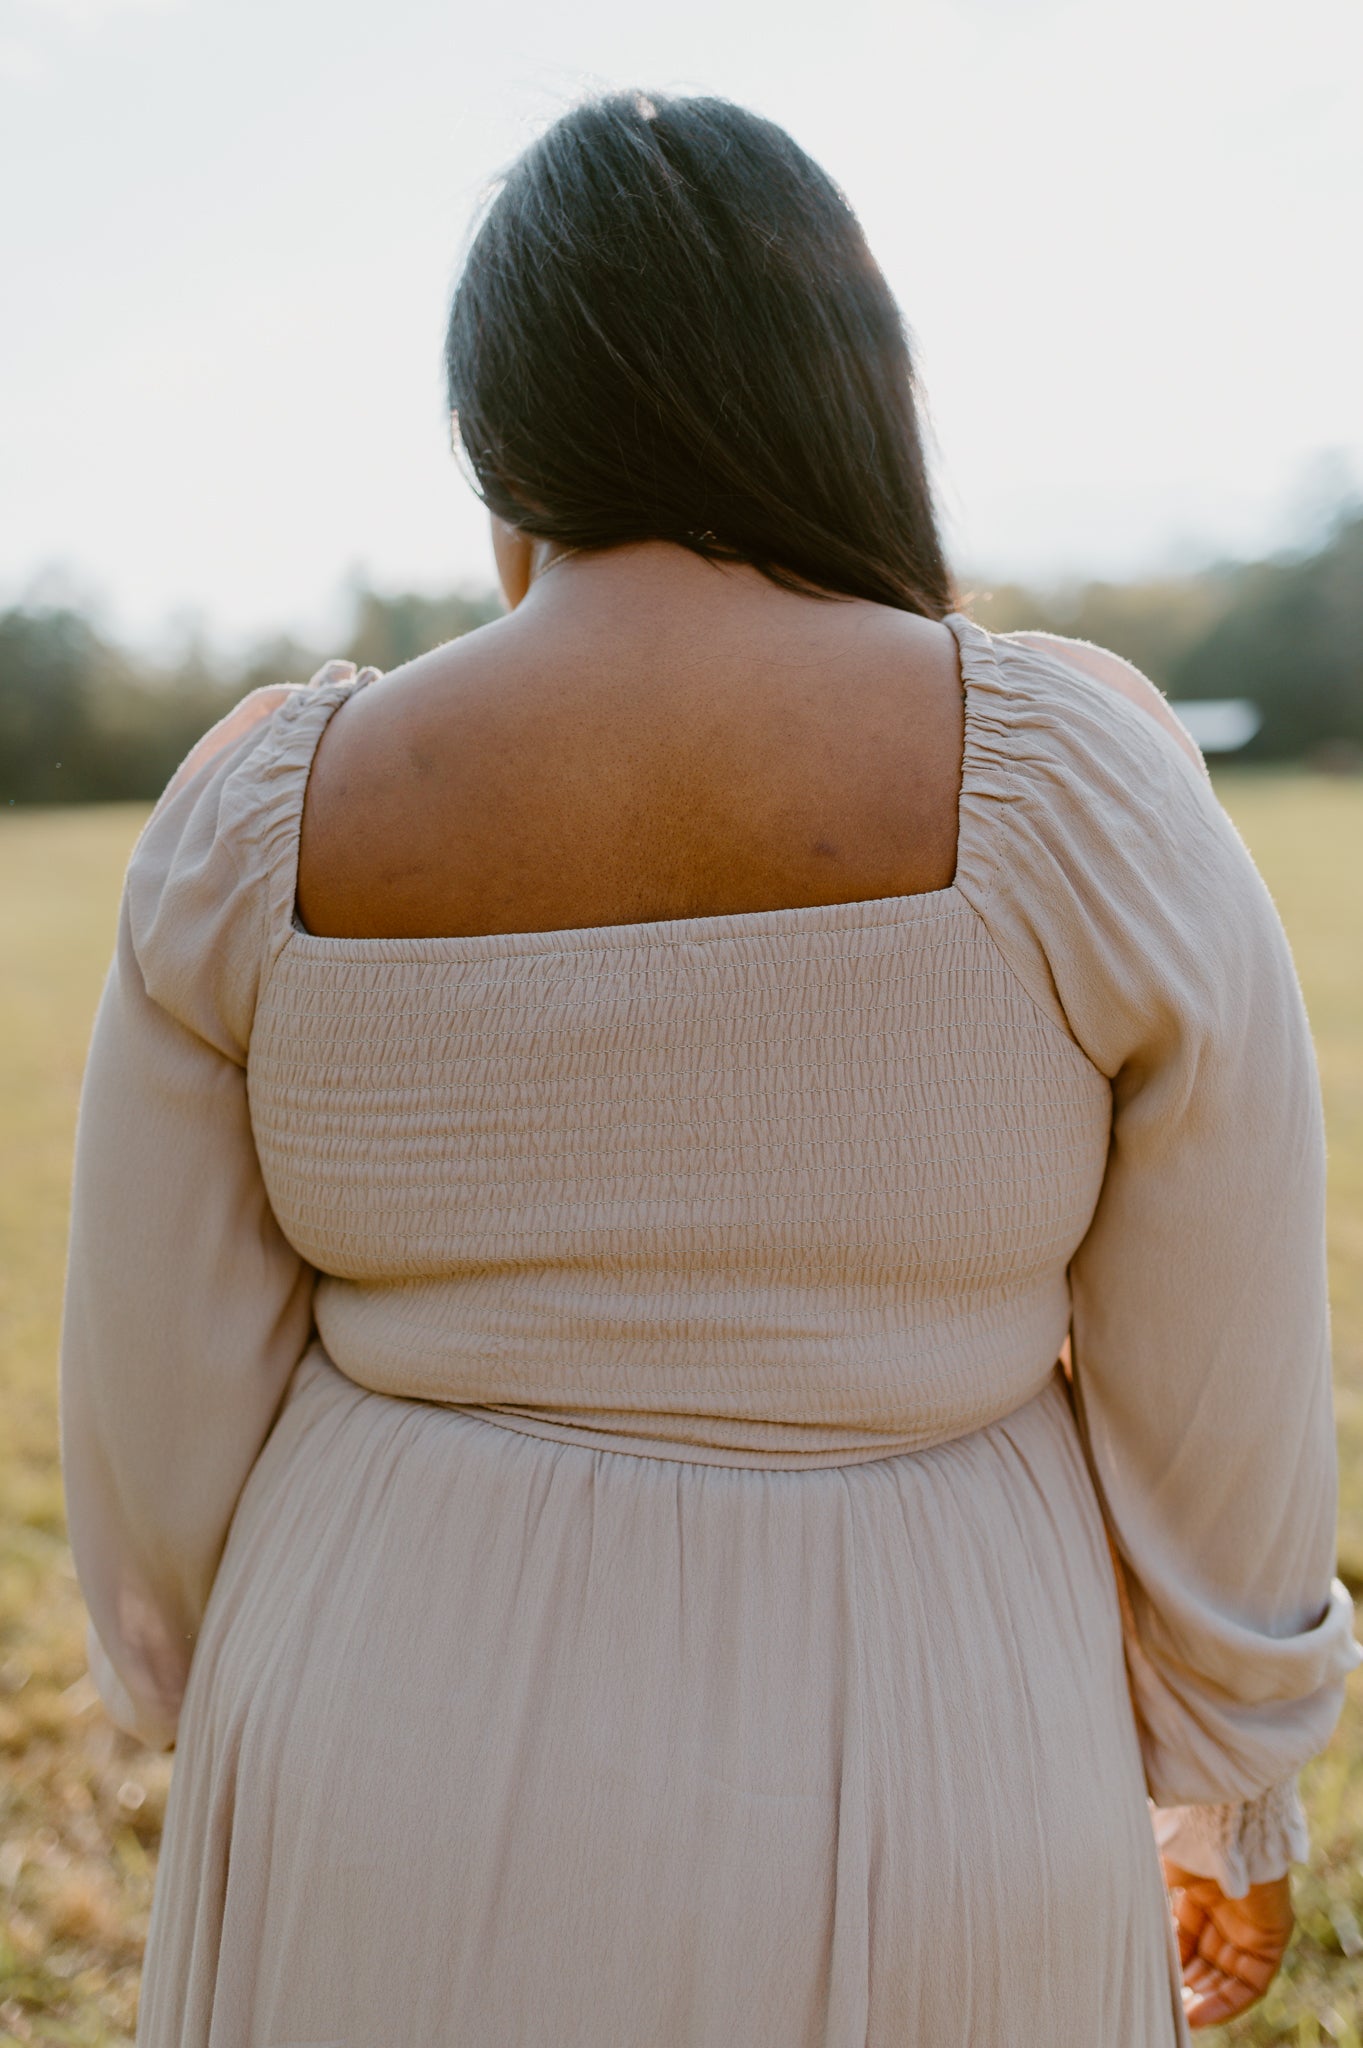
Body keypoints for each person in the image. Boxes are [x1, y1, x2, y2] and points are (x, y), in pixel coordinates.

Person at [59, 90, 1360, 2046]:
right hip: (939, 1754)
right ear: (846, 395)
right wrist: (1229, 1781)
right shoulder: (1073, 781)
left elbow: (153, 1442)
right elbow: (1228, 1395)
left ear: (500, 437)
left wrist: (219, 1690)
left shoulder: (260, 817)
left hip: (371, 1747)